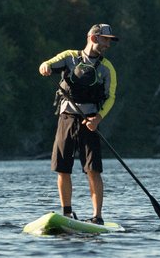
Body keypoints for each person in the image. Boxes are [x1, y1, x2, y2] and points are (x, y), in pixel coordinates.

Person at [39, 23, 119, 223]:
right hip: (67, 117)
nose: (108, 45)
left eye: (109, 41)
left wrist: (98, 118)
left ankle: (97, 217)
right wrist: (45, 67)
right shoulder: (69, 57)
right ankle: (67, 213)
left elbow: (111, 97)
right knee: (63, 168)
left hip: (90, 121)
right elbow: (48, 63)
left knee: (93, 169)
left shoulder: (107, 68)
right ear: (93, 38)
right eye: (105, 40)